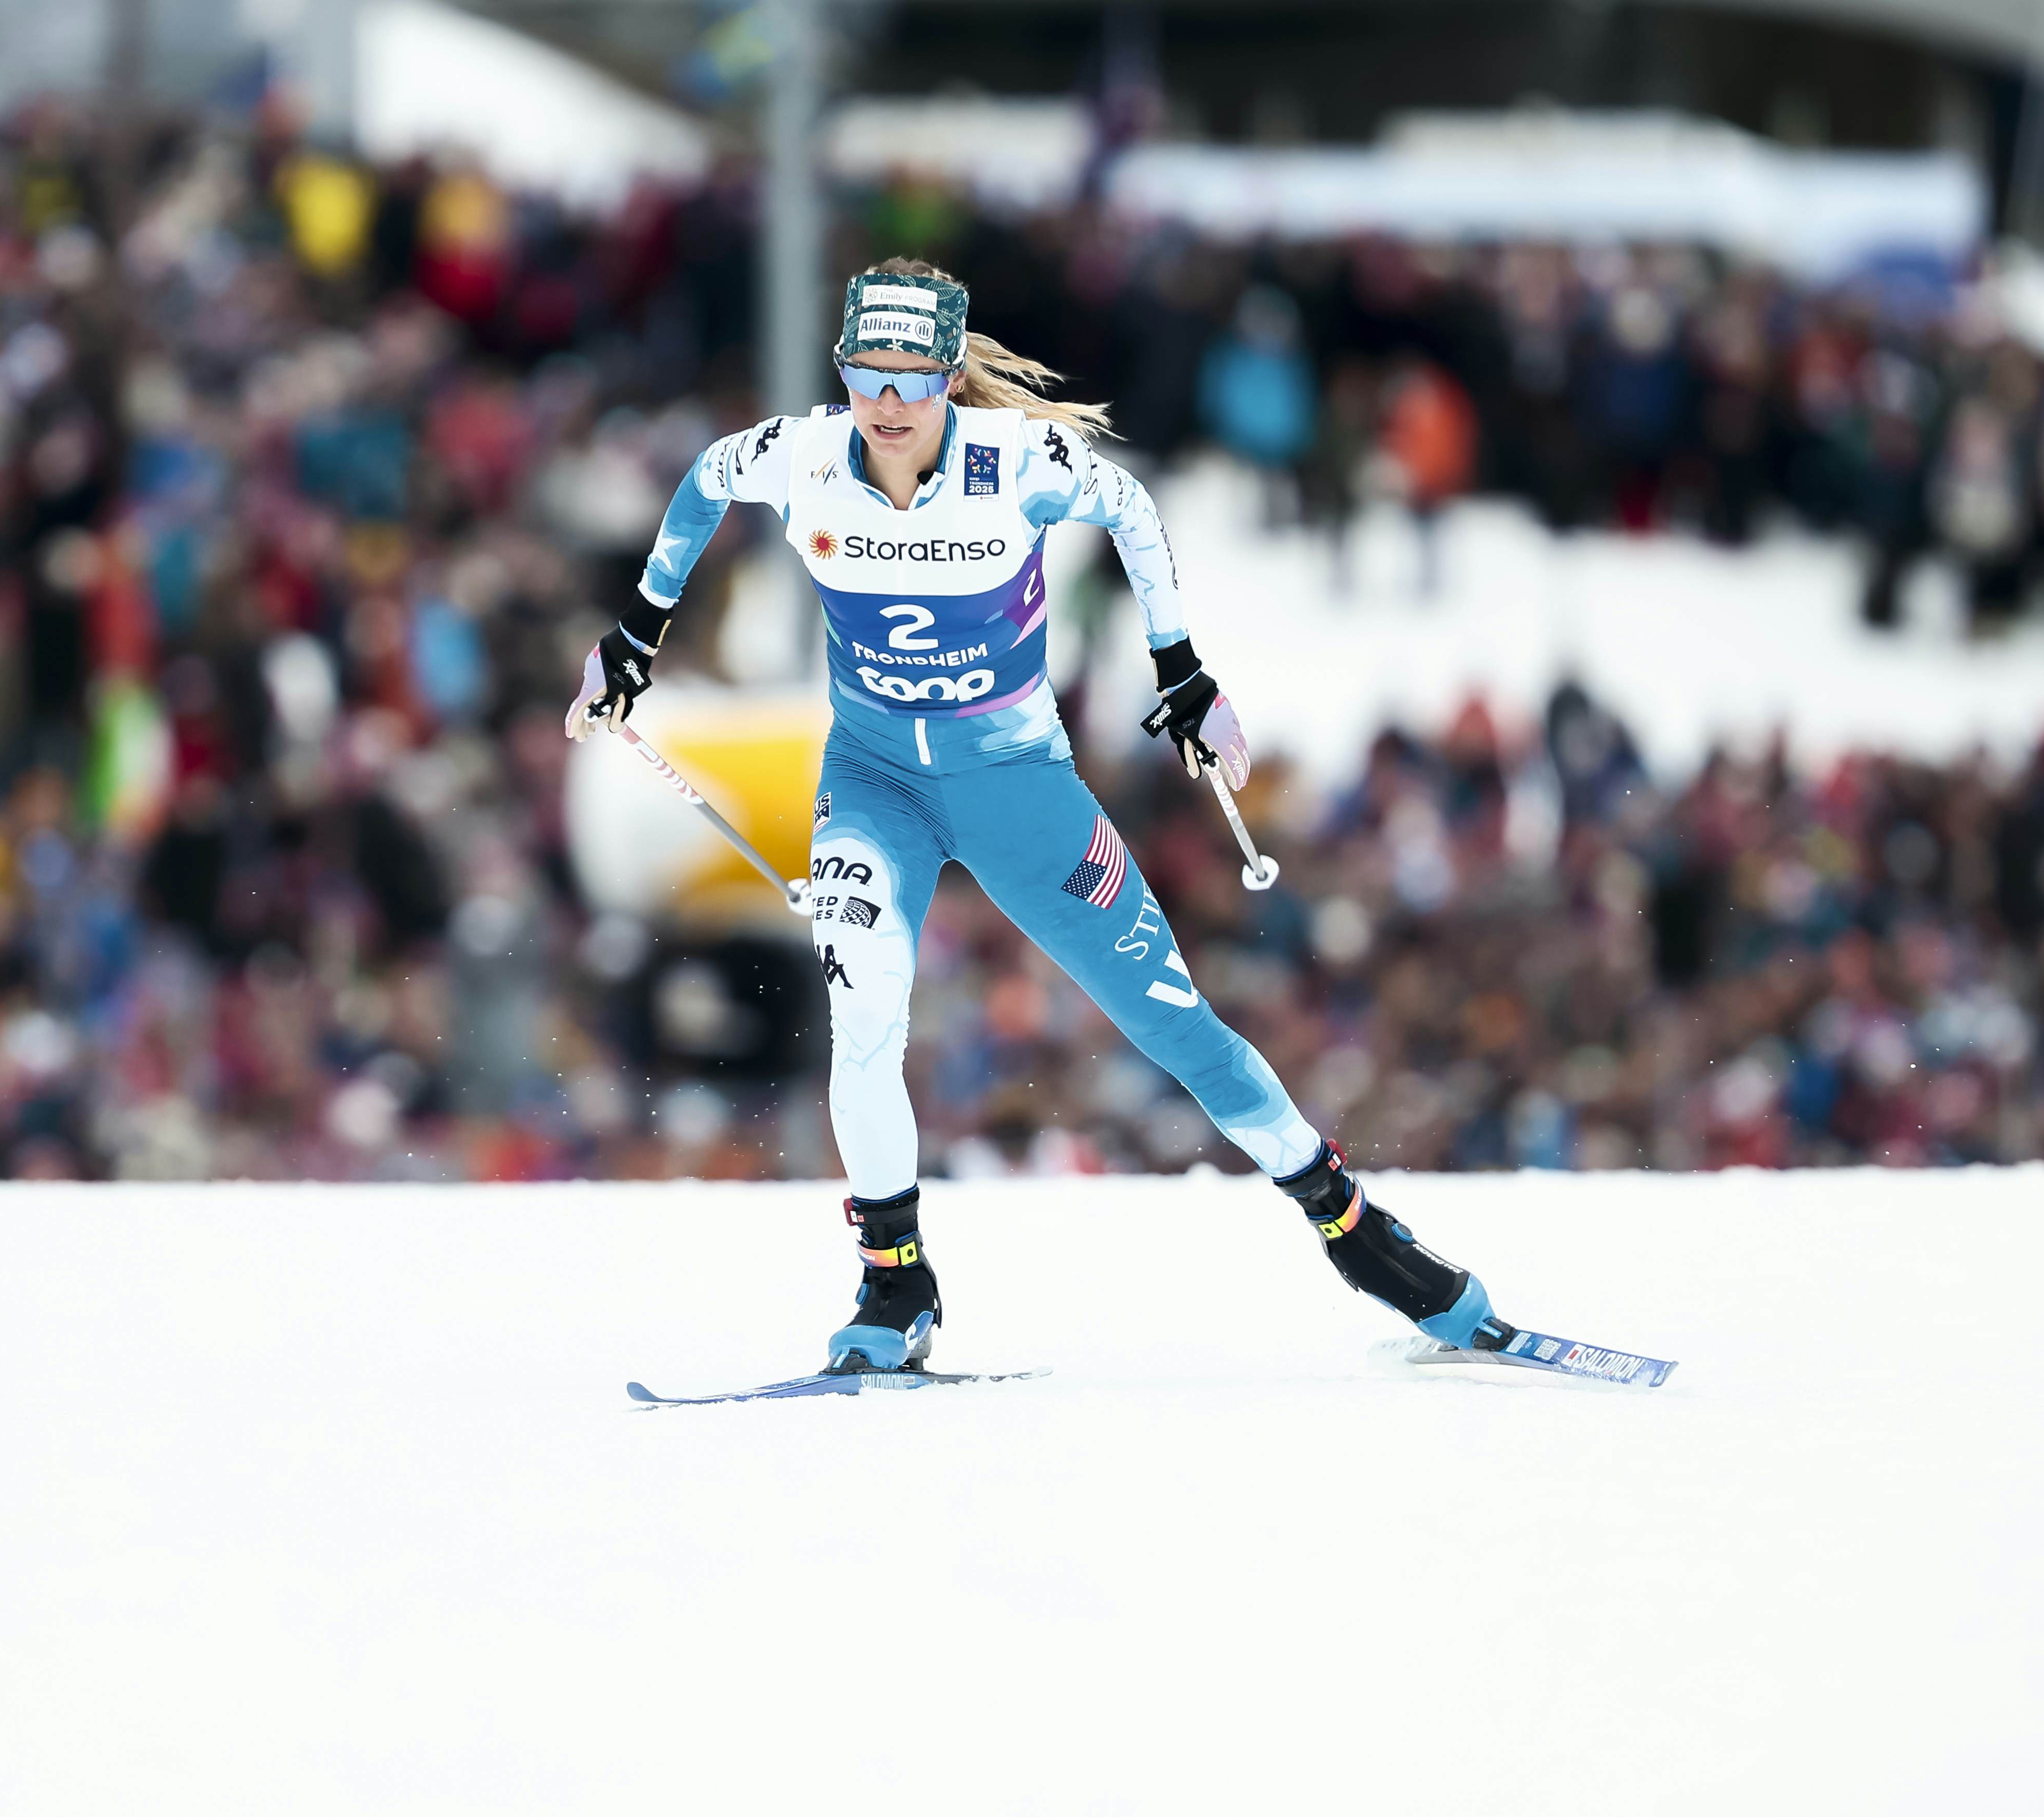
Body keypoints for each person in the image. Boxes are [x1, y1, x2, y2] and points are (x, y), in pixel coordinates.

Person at [566, 258, 1511, 1374]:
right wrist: (634, 638)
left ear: (951, 376)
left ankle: (1362, 1237)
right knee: (864, 1022)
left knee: (1175, 1027)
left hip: (1018, 788)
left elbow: (1132, 506)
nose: (887, 399)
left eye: (914, 375)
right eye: (867, 371)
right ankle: (893, 1281)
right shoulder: (804, 457)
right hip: (873, 784)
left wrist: (1184, 671)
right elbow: (706, 481)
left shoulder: (1018, 463)